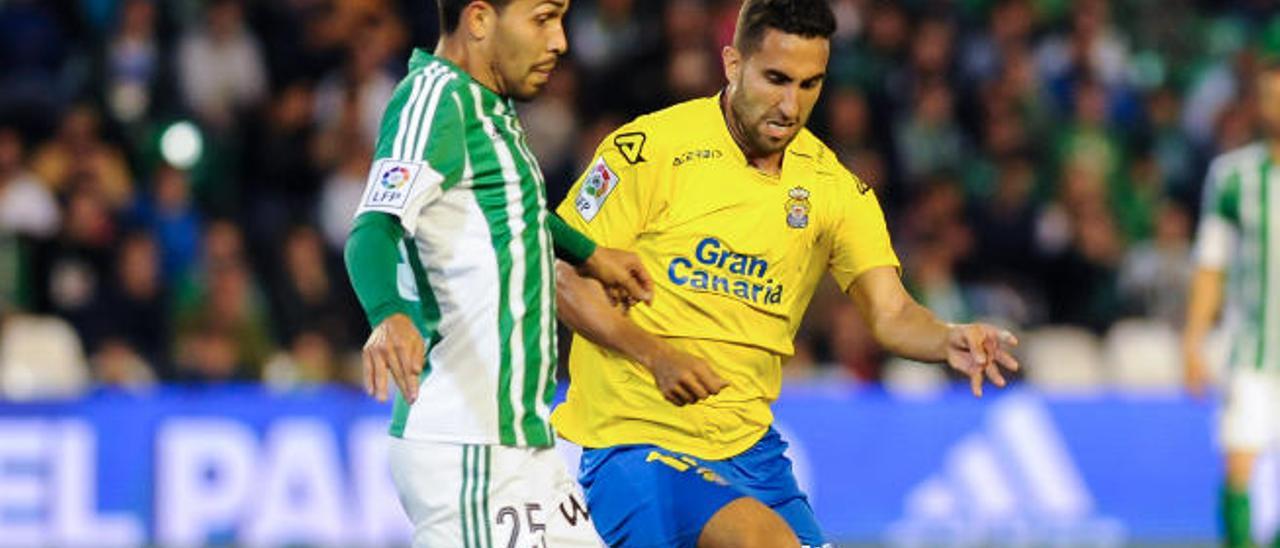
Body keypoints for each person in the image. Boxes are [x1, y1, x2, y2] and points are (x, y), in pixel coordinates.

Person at [552, 1, 1020, 546]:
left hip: (749, 455)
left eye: (808, 84)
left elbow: (890, 312)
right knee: (763, 540)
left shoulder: (832, 187)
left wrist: (947, 338)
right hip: (635, 442)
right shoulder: (649, 150)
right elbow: (566, 277)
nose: (790, 105)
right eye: (775, 79)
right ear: (732, 63)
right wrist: (655, 355)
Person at [343, 1, 652, 546]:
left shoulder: (487, 107)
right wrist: (387, 314)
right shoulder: (433, 98)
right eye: (544, 18)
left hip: (519, 447)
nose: (560, 40)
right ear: (480, 19)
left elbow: (518, 211)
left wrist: (592, 256)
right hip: (469, 446)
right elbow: (373, 228)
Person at [1183, 61, 1280, 548]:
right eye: (1267, 95)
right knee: (1239, 465)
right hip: (1252, 351)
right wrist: (1193, 341)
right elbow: (1210, 264)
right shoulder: (1233, 176)